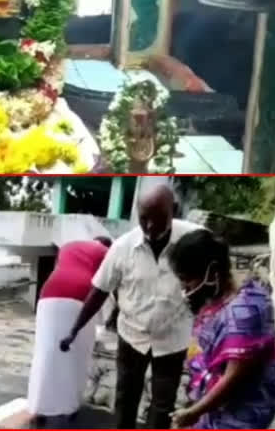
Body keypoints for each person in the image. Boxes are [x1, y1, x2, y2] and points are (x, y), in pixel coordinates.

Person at [59, 184, 202, 429]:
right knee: (125, 399)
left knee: (163, 404)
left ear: (174, 210)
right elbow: (99, 291)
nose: (149, 227)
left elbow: (216, 279)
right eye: (143, 218)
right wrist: (74, 330)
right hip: (132, 336)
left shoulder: (197, 240)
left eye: (157, 219)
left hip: (173, 338)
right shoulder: (122, 247)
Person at [168, 229, 275, 429]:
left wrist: (193, 413)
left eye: (187, 279)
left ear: (212, 271)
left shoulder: (245, 311)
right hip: (214, 406)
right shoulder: (216, 299)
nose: (185, 288)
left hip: (240, 410)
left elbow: (233, 378)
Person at [27, 236, 112, 426]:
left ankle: (38, 407)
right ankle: (68, 408)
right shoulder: (105, 252)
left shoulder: (67, 246)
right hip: (79, 298)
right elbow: (105, 286)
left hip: (48, 295)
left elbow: (61, 270)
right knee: (77, 356)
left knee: (45, 352)